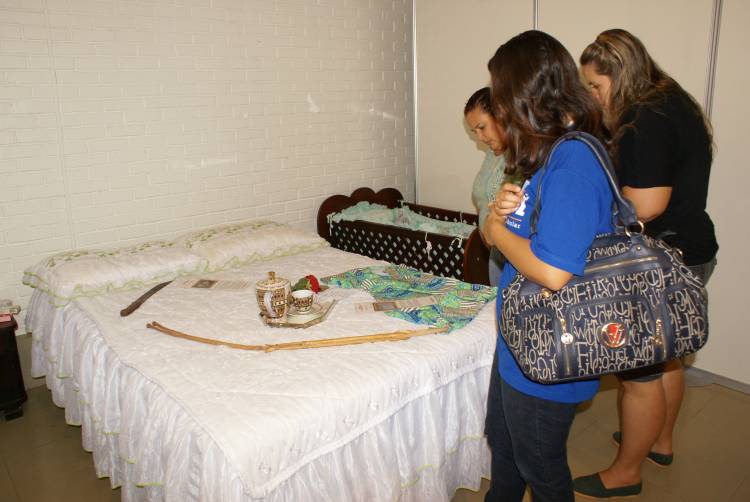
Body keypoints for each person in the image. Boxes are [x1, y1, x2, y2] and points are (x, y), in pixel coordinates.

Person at [570, 28, 719, 499]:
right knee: (668, 359)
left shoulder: (646, 117)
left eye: (596, 86)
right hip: (691, 249)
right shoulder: (672, 99)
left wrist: (593, 208)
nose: (594, 96)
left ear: (621, 75)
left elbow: (647, 206)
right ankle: (659, 441)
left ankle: (625, 474)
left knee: (640, 376)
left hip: (662, 259)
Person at [481, 30, 614, 502]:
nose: (498, 108)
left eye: (500, 94)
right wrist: (502, 217)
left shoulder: (573, 161)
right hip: (522, 342)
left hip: (550, 353)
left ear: (523, 95)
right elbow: (523, 236)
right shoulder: (548, 154)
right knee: (505, 447)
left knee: (541, 468)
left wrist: (496, 232)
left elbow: (553, 272)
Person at [464, 87, 508, 286]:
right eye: (474, 131)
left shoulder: (521, 157)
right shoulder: (492, 154)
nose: (480, 138)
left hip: (512, 256)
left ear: (501, 116)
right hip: (494, 255)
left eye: (482, 127)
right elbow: (483, 202)